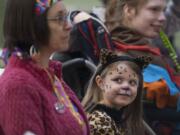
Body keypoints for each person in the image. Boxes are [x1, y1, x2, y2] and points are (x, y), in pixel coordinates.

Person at [0, 0, 90, 135]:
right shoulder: (19, 85)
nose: (69, 26)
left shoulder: (48, 73)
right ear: (34, 26)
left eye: (67, 16)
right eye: (60, 18)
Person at [105, 0, 180, 134]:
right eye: (154, 10)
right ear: (129, 11)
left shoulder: (138, 46)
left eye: (163, 10)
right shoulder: (125, 56)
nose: (163, 17)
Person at [82, 49, 151, 135]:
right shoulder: (99, 121)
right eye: (118, 80)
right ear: (101, 83)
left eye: (132, 82)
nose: (126, 86)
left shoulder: (121, 118)